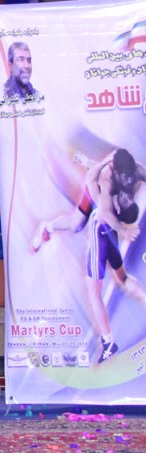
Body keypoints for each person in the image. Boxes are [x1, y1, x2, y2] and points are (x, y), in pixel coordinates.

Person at [32, 148, 146, 361]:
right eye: (125, 178)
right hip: (97, 204)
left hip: (107, 216)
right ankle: (46, 228)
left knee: (119, 278)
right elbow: (103, 214)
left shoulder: (136, 170)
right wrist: (122, 230)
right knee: (76, 224)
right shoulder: (104, 179)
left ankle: (109, 340)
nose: (129, 182)